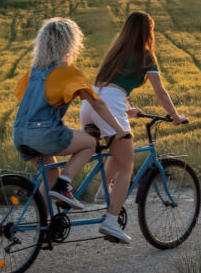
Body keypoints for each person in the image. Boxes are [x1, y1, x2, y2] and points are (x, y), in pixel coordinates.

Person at [80, 11, 187, 243]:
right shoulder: (146, 55)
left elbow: (111, 85)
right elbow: (160, 92)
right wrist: (175, 115)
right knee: (127, 165)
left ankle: (102, 193)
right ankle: (111, 221)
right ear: (148, 31)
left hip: (91, 103)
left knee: (118, 149)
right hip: (109, 105)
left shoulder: (116, 51)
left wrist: (128, 110)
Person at [13, 17, 130, 212]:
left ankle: (43, 228)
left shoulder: (33, 72)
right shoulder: (67, 72)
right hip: (45, 134)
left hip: (19, 134)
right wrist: (119, 130)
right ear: (69, 43)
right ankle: (65, 184)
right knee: (89, 143)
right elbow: (98, 104)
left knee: (50, 175)